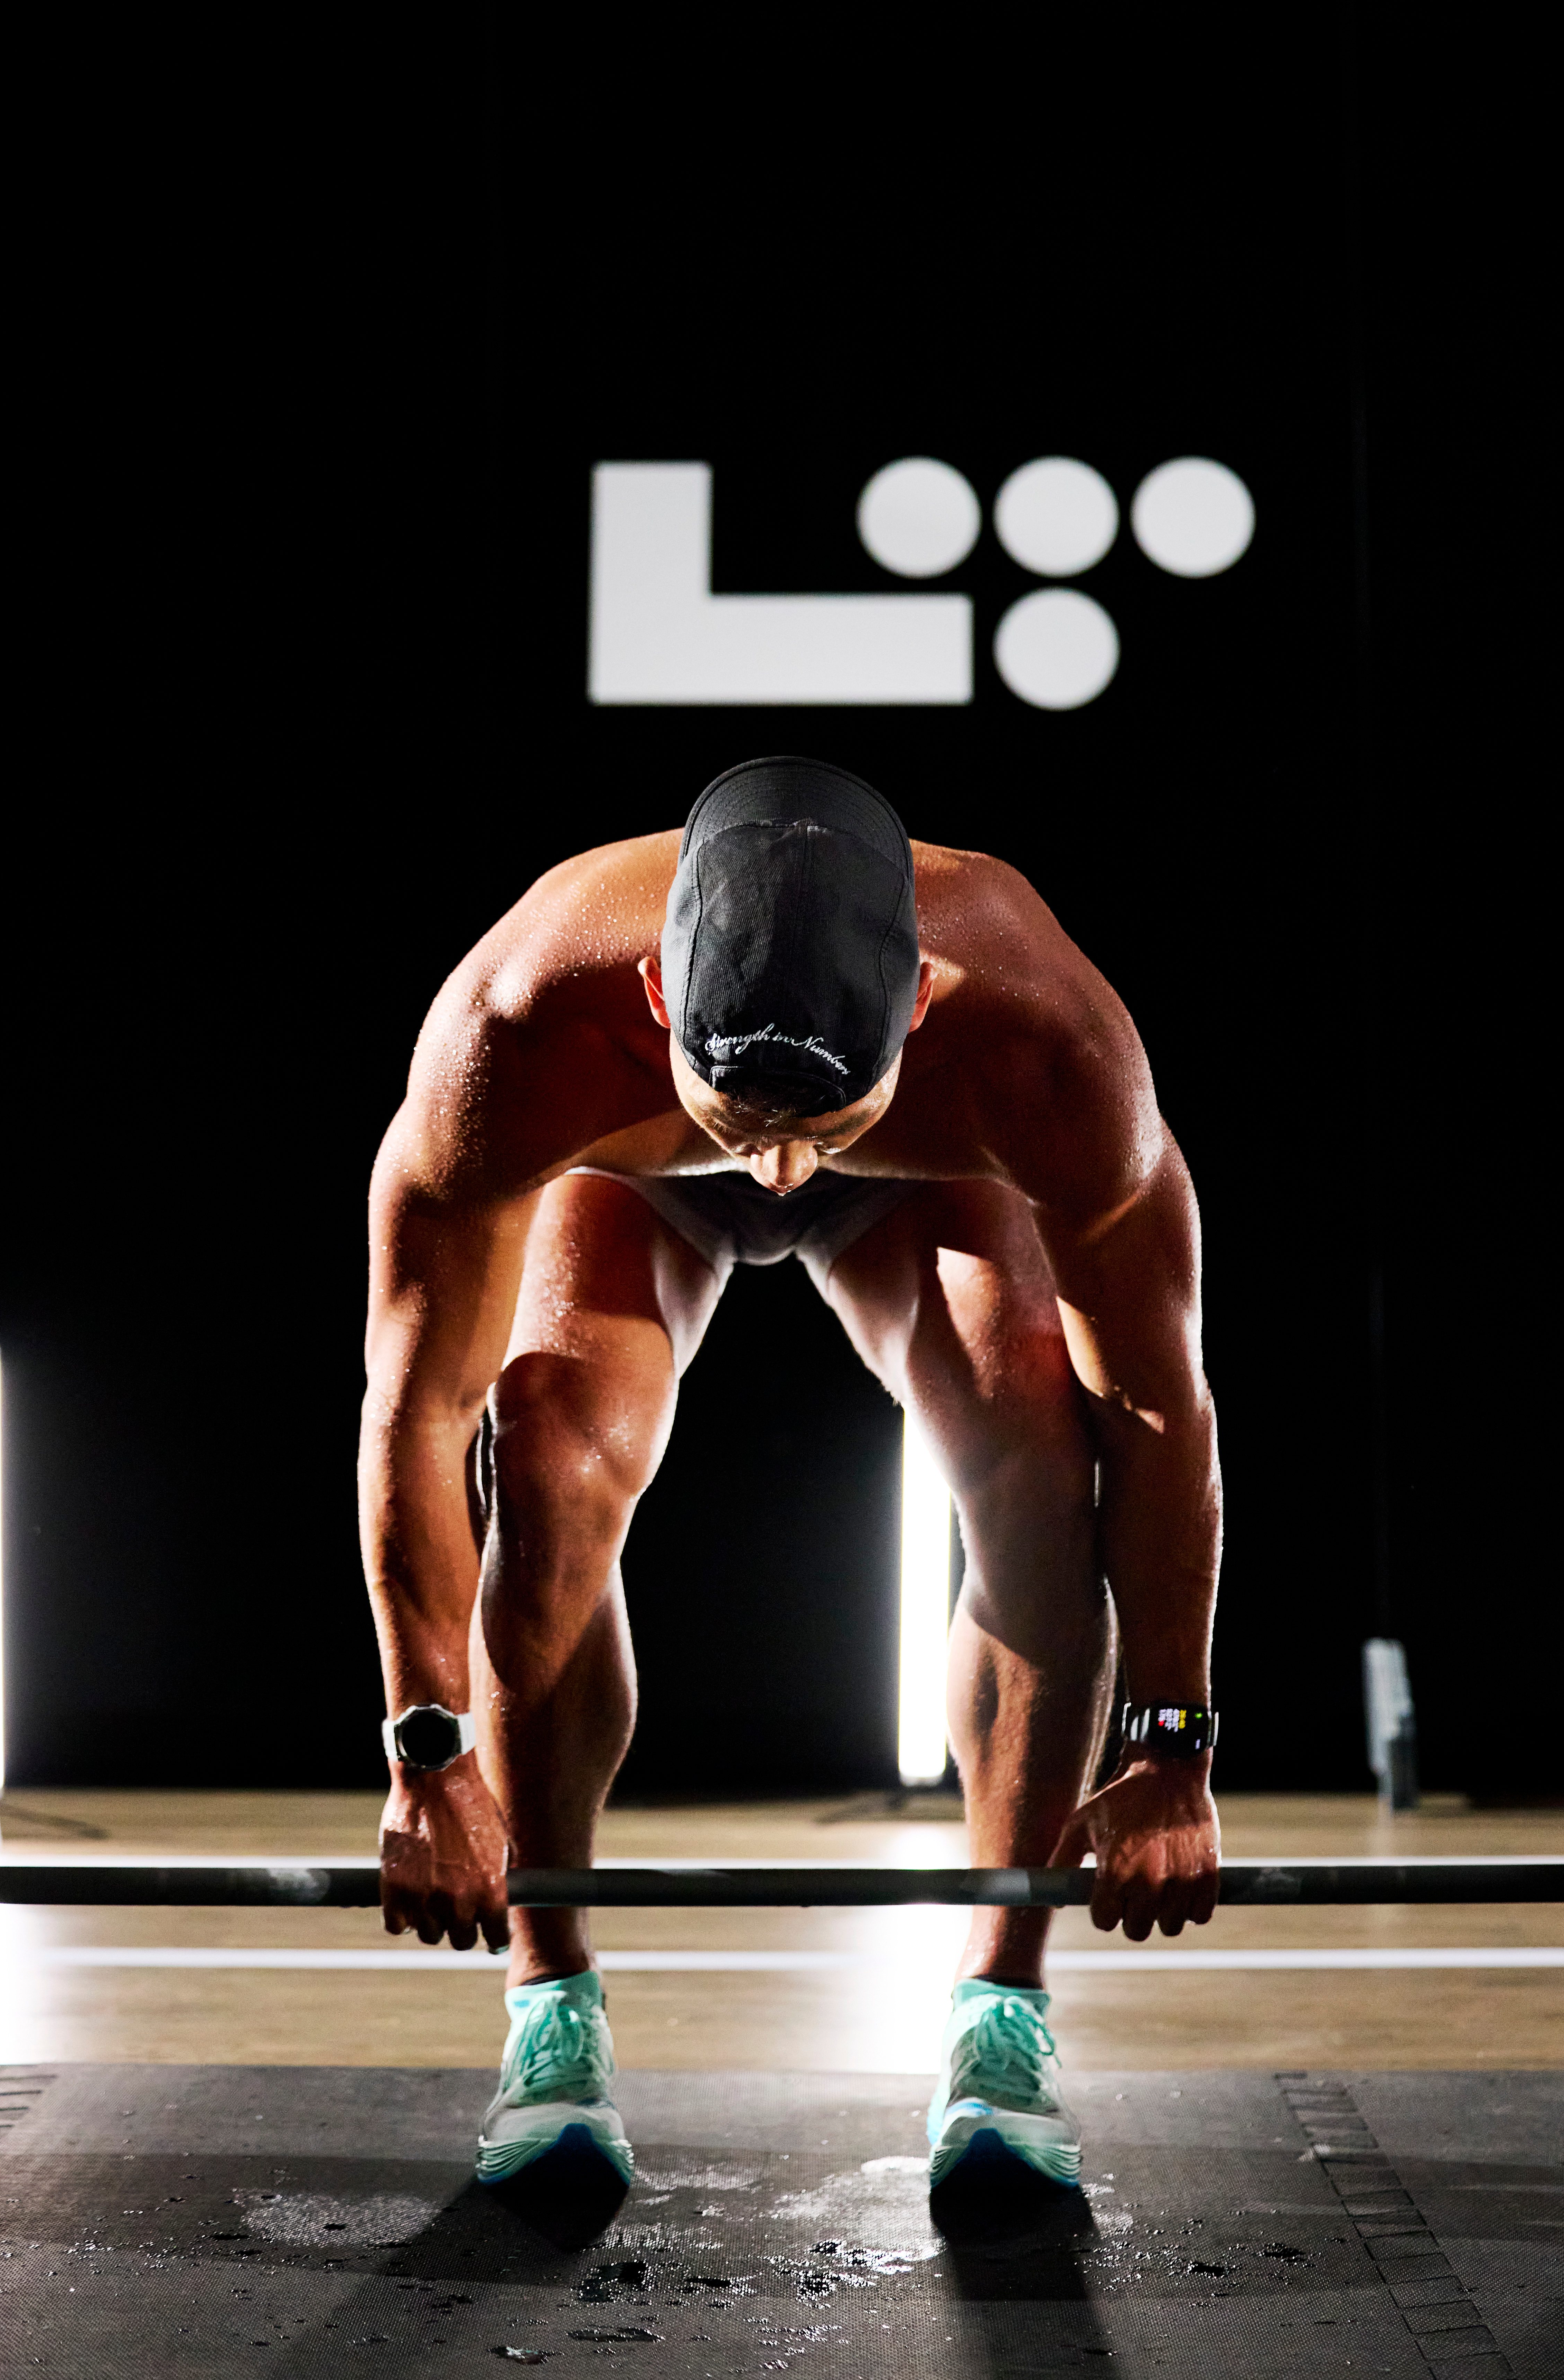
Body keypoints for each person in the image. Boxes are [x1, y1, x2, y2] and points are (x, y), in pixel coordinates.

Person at [358, 756, 1220, 2192]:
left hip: (934, 1174)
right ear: (652, 999)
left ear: (926, 999)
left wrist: (1171, 1741)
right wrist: (425, 1747)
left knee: (1037, 1437)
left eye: (817, 1128)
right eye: (738, 1123)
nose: (773, 1176)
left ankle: (1000, 2017)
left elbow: (1158, 1408)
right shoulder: (525, 1019)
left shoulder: (1047, 1044)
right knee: (551, 1447)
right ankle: (548, 2007)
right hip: (622, 1170)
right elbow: (416, 1400)